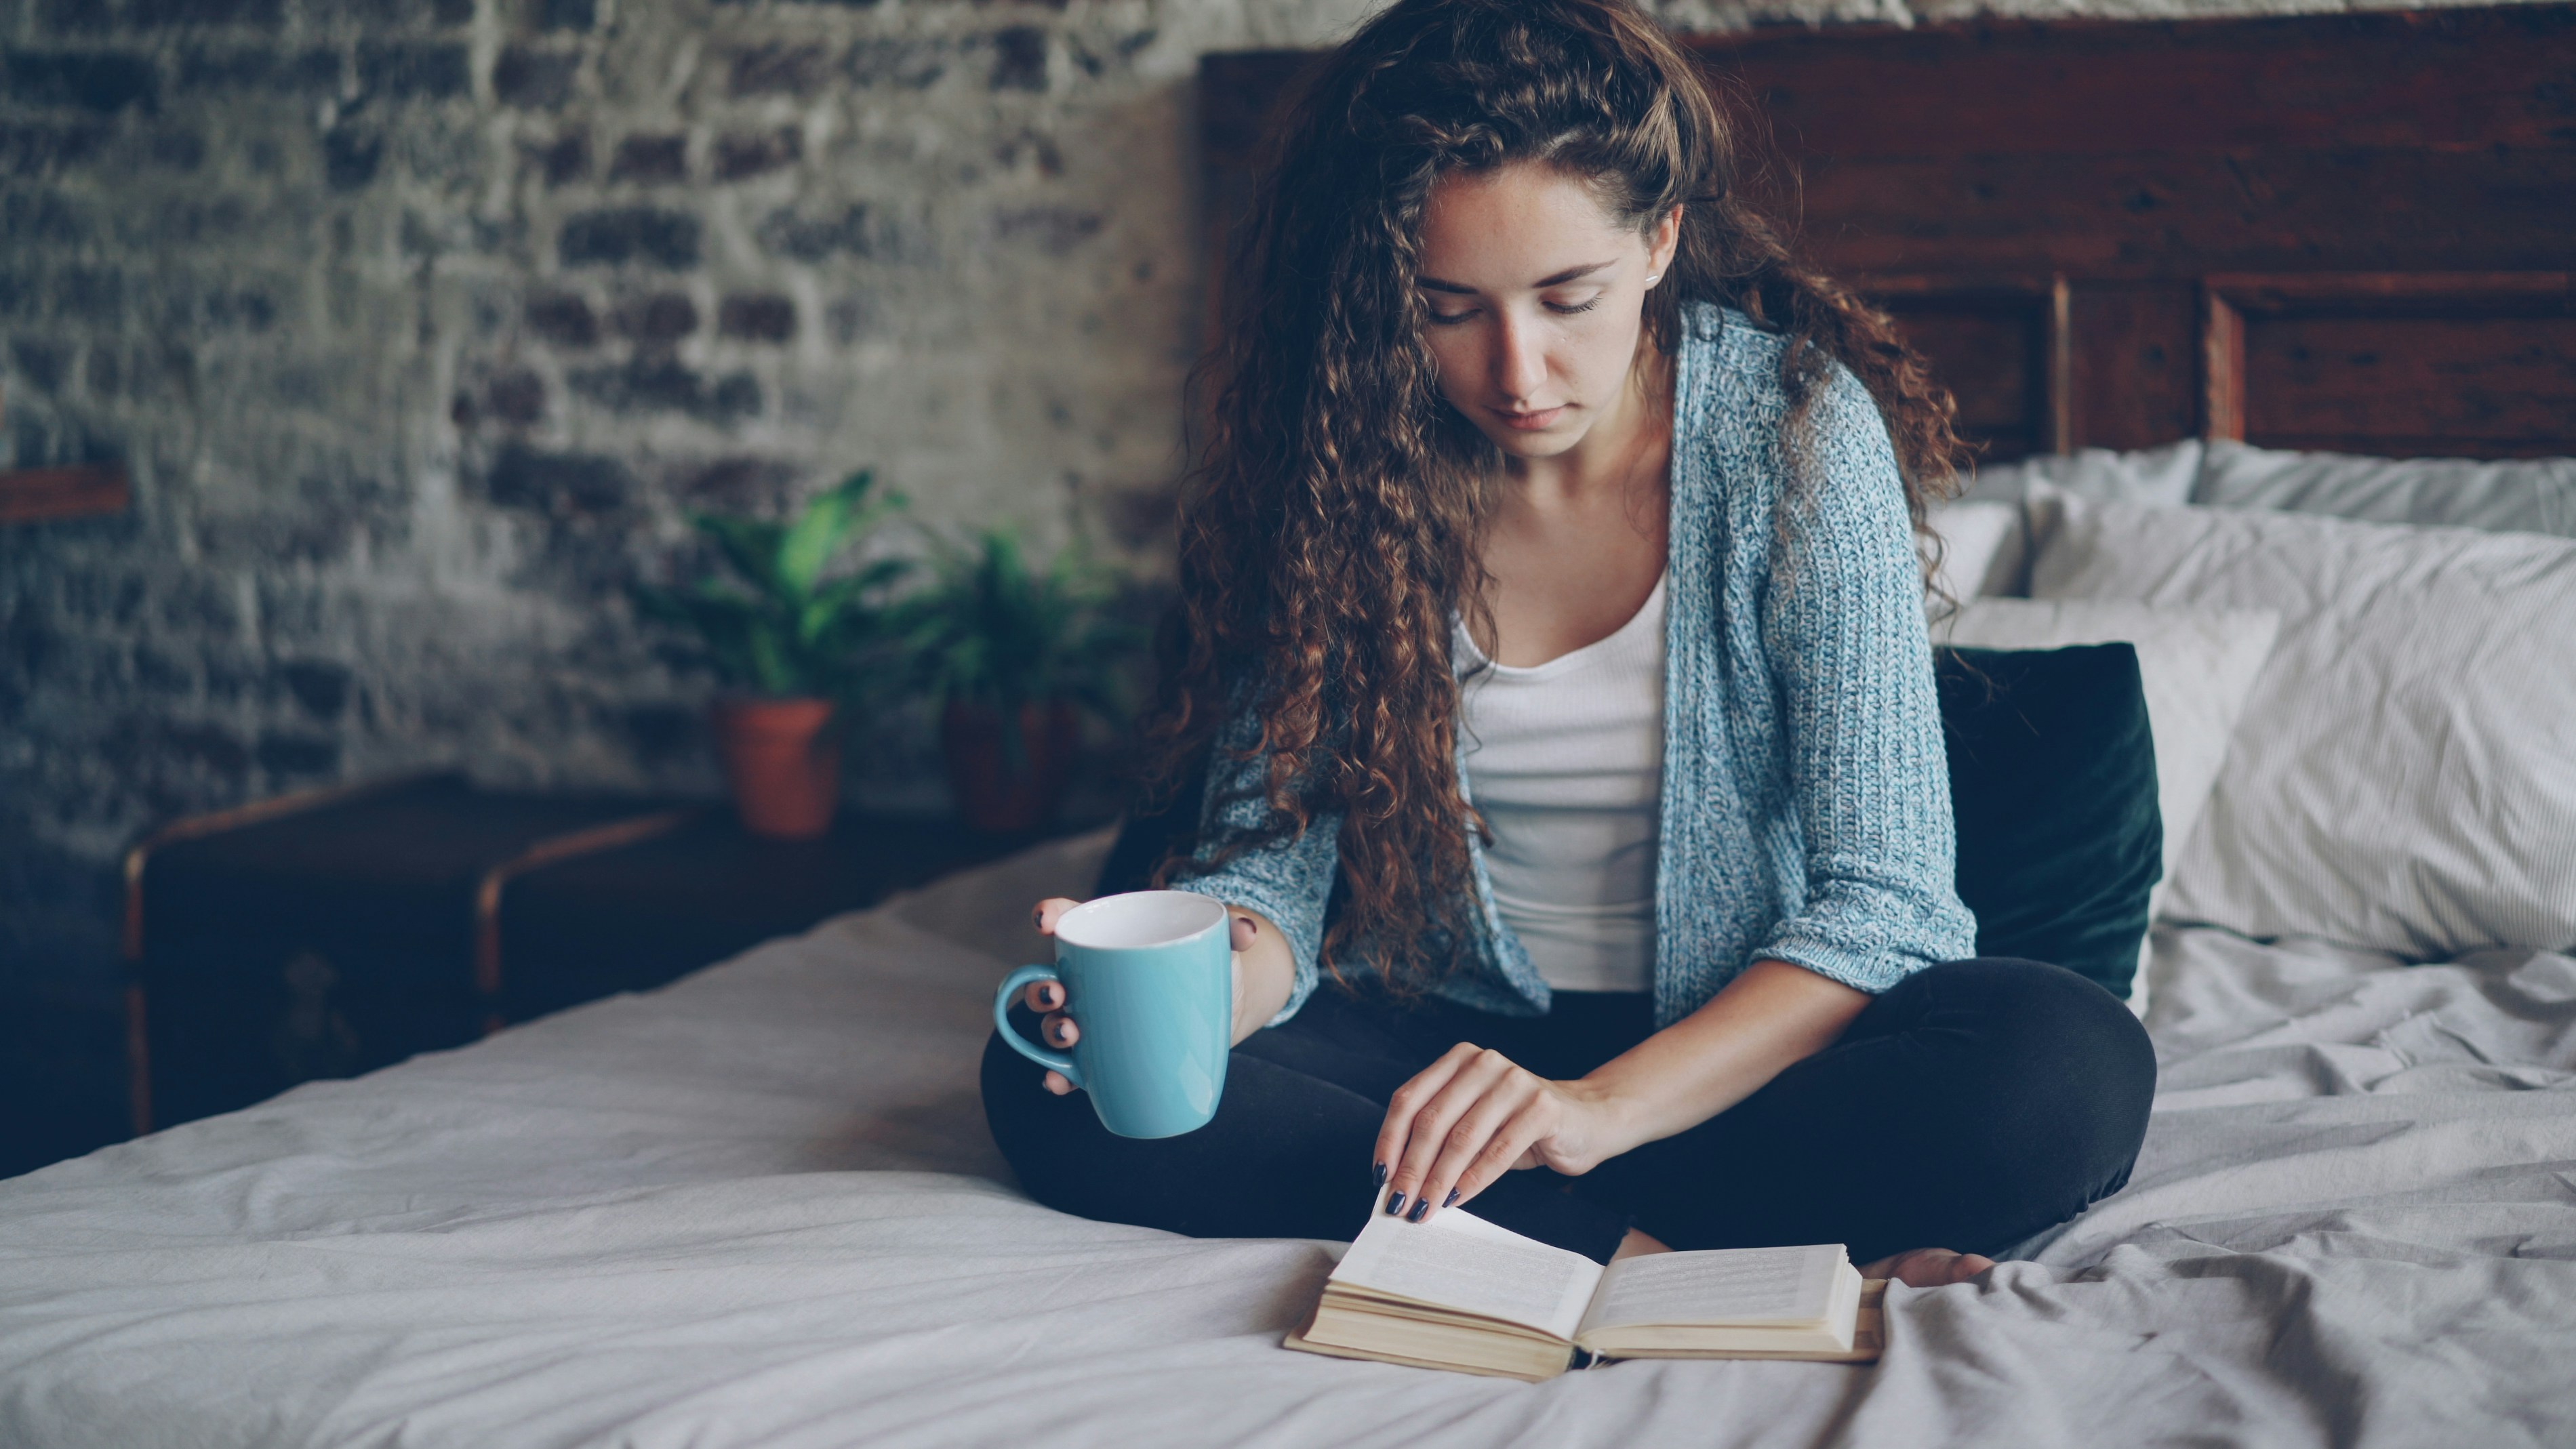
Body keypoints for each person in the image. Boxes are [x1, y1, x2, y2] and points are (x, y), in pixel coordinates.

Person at [982, 0, 2154, 1286]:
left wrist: (1593, 1111)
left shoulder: (1796, 432)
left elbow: (1888, 909)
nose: (1518, 368)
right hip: (1433, 1061)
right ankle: (1654, 1269)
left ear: (1658, 241)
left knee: (2065, 1067)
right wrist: (1191, 996)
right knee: (1049, 1079)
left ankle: (1528, 1240)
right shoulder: (1346, 456)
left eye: (1566, 295)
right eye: (1448, 308)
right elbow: (1273, 875)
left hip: (1730, 1059)